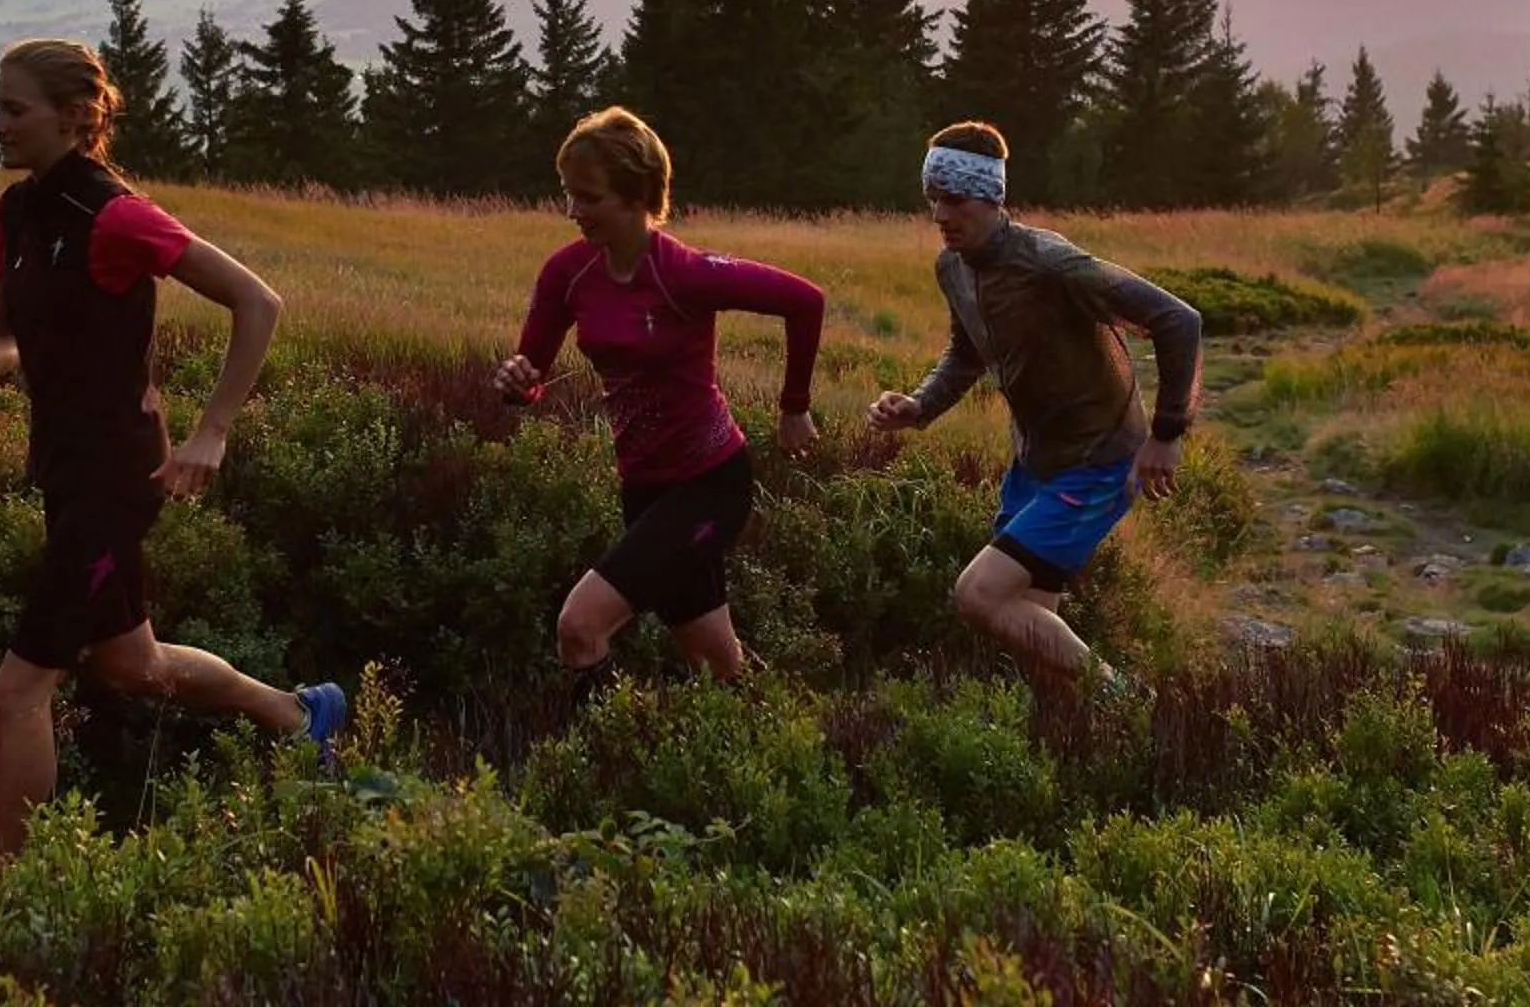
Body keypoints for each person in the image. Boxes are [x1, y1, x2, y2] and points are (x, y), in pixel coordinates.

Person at [0, 37, 343, 866]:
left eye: (13, 108)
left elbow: (258, 302)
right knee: (131, 665)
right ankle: (300, 713)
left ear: (74, 118)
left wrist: (212, 430)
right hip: (65, 476)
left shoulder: (118, 215)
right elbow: (5, 334)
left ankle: (5, 884)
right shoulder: (20, 213)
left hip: (116, 478)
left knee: (19, 688)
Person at [864, 120, 1203, 702]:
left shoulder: (1051, 263)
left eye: (955, 199)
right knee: (1033, 633)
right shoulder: (953, 268)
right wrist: (919, 406)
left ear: (992, 198)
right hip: (1036, 464)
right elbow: (966, 354)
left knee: (980, 596)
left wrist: (1168, 433)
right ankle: (1086, 746)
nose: (941, 215)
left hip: (1097, 461)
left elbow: (1179, 320)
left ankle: (1130, 701)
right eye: (932, 199)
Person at [492, 106, 825, 688]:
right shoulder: (566, 274)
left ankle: (596, 769)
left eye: (589, 198)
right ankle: (788, 743)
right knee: (719, 667)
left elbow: (806, 300)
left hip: (710, 485)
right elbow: (533, 373)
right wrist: (518, 384)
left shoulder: (686, 274)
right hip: (643, 489)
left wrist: (793, 405)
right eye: (568, 195)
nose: (573, 212)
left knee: (579, 626)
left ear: (636, 196)